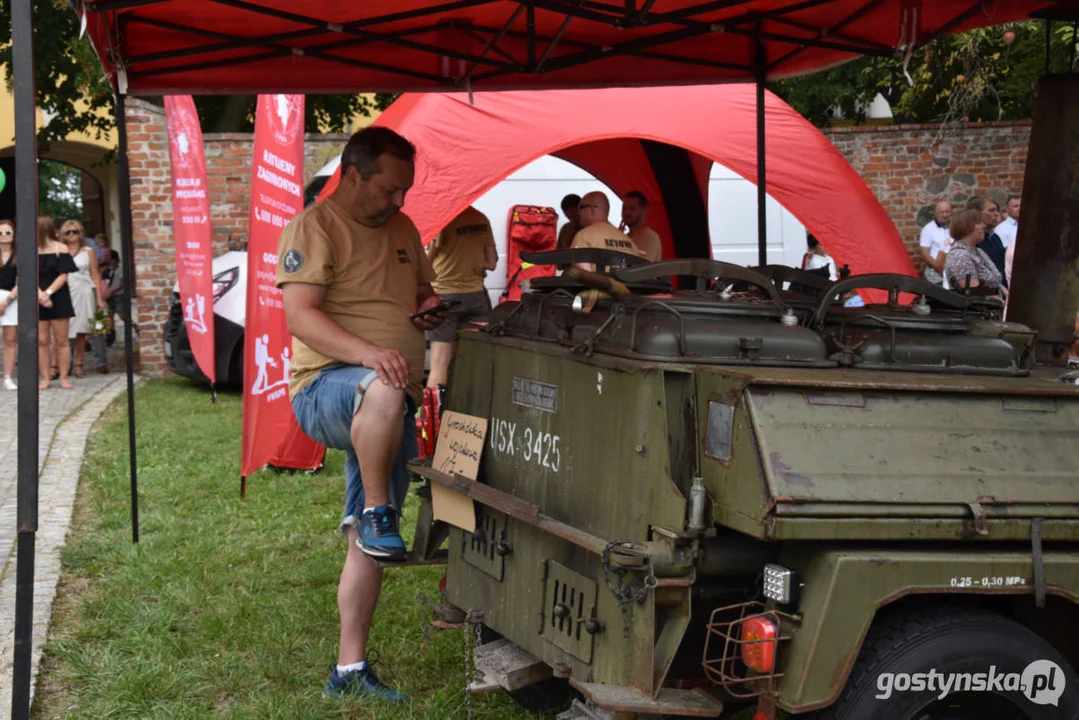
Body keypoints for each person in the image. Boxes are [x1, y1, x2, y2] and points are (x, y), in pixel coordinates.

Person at [276, 126, 444, 703]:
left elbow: (421, 290)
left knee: (368, 542)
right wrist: (373, 355)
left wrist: (428, 308)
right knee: (379, 391)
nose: (399, 201)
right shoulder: (313, 227)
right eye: (389, 189)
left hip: (389, 402)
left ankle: (349, 671)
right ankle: (377, 509)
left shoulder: (402, 227)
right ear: (353, 175)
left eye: (404, 191)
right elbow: (300, 317)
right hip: (326, 388)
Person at [425, 205, 497, 388]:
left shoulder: (444, 218)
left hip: (444, 297)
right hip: (476, 297)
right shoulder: (481, 218)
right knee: (470, 363)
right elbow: (492, 262)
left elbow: (425, 265)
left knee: (440, 364)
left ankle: (434, 415)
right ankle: (466, 413)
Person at [60, 219, 108, 376]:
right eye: (69, 232)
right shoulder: (60, 250)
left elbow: (95, 274)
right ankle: (63, 364)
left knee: (81, 329)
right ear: (64, 235)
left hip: (84, 290)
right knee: (64, 330)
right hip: (64, 290)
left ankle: (79, 364)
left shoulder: (88, 251)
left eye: (76, 231)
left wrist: (99, 298)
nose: (72, 234)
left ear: (81, 233)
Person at [37, 217, 77, 390]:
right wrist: (40, 295)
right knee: (41, 340)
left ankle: (63, 377)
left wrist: (48, 294)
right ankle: (45, 378)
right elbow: (26, 275)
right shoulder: (30, 250)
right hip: (37, 296)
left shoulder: (61, 248)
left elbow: (63, 274)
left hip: (59, 297)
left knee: (61, 340)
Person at [569, 191, 640, 272]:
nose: (578, 213)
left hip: (598, 284)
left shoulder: (584, 236)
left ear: (592, 209)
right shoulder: (630, 242)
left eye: (580, 208)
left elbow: (582, 276)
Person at [944, 209, 1003, 297]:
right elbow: (973, 293)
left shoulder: (978, 251)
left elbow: (996, 282)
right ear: (967, 227)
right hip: (980, 308)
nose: (984, 226)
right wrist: (1000, 302)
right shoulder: (960, 256)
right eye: (979, 223)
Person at [965, 196, 1008, 286]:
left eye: (997, 210)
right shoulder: (971, 241)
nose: (996, 214)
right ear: (976, 214)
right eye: (991, 211)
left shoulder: (995, 237)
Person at [918, 200, 953, 288]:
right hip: (935, 272)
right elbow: (924, 254)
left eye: (947, 212)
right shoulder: (928, 229)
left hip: (953, 272)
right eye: (942, 212)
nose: (945, 215)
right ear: (936, 213)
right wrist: (939, 268)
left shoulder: (955, 227)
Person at [620, 190, 662, 263]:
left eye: (632, 208)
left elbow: (640, 269)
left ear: (643, 210)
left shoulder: (650, 238)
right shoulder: (625, 236)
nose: (626, 212)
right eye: (624, 208)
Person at [0, 219, 18, 390]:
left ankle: (8, 376)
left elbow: (21, 281)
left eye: (8, 233)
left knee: (10, 339)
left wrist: (6, 302)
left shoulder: (18, 256)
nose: (4, 236)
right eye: (1, 233)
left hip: (11, 300)